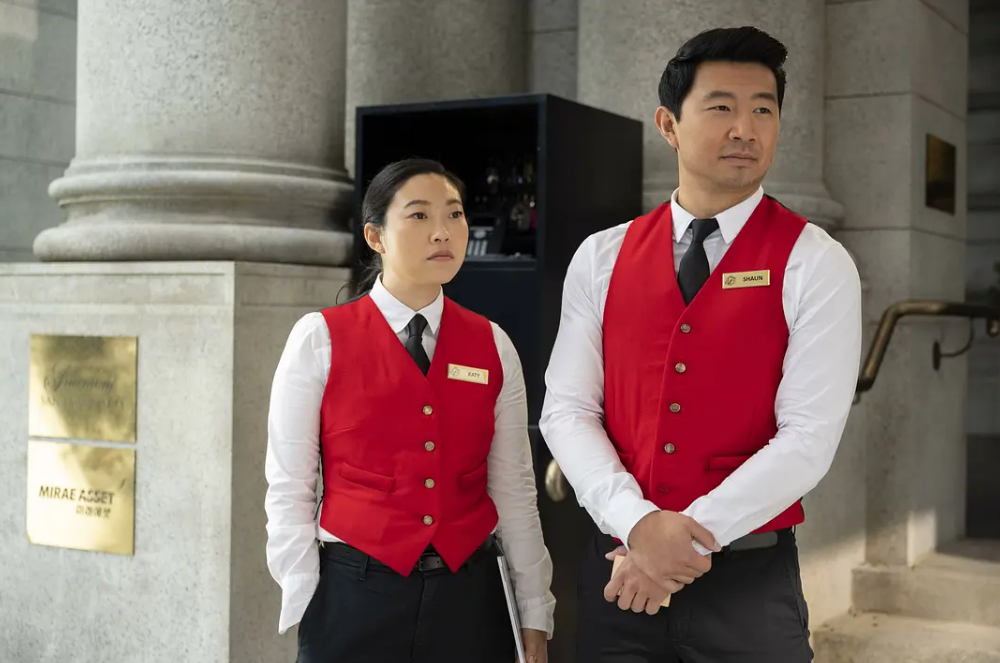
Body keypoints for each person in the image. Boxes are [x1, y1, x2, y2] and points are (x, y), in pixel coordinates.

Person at [539, 26, 862, 663]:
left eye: (763, 110)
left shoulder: (816, 261)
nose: (746, 129)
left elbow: (808, 437)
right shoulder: (601, 257)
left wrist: (679, 544)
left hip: (748, 588)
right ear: (669, 124)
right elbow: (567, 410)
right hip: (618, 571)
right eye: (721, 107)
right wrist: (637, 524)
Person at [264, 158, 555, 663]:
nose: (443, 232)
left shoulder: (493, 344)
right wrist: (304, 591)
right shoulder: (319, 339)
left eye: (455, 214)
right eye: (419, 215)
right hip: (355, 594)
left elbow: (513, 490)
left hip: (470, 597)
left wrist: (534, 609)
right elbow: (290, 484)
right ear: (375, 236)